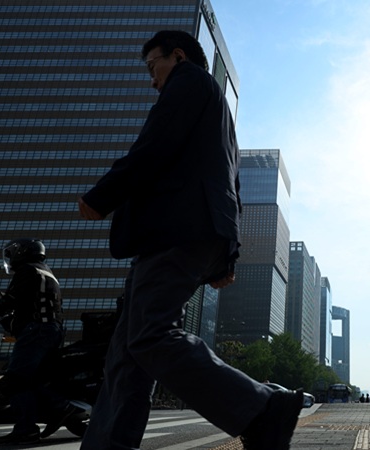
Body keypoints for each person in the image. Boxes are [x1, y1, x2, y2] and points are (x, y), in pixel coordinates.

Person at [76, 30, 302, 450]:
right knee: (126, 354)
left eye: (153, 67)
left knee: (147, 335)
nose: (152, 80)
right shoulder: (216, 110)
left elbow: (155, 145)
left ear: (177, 56)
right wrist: (226, 257)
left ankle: (263, 407)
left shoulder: (189, 81)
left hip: (175, 231)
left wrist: (102, 194)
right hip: (191, 232)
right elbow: (231, 181)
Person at [0, 238, 73, 445]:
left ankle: (29, 427)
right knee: (34, 379)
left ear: (24, 252)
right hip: (51, 330)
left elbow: (9, 302)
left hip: (36, 331)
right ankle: (58, 407)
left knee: (15, 380)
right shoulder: (46, 271)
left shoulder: (27, 270)